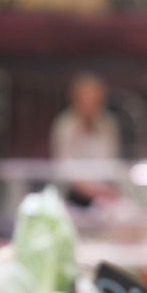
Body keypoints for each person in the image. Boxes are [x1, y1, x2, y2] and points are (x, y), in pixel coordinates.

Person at [50, 72, 122, 207]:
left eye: (95, 100)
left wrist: (103, 191)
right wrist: (91, 189)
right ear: (75, 100)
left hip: (103, 194)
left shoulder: (107, 124)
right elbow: (65, 169)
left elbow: (110, 163)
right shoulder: (64, 125)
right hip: (69, 196)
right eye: (85, 100)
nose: (90, 105)